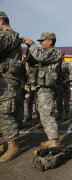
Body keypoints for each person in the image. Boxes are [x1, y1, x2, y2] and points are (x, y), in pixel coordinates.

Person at [23, 32, 63, 147]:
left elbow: (40, 56)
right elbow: (32, 62)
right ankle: (52, 138)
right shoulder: (44, 53)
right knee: (43, 114)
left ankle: (54, 140)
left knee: (47, 114)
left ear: (50, 41)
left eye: (42, 40)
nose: (40, 42)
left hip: (47, 88)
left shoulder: (55, 53)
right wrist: (29, 48)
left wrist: (32, 44)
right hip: (40, 87)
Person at [0, 11, 23, 162]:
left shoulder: (8, 35)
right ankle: (7, 141)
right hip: (5, 79)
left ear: (0, 21)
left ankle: (13, 144)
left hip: (7, 80)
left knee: (5, 112)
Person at [56, 51, 71, 121]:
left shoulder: (67, 65)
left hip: (66, 86)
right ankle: (60, 114)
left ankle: (66, 115)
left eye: (61, 55)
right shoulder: (56, 65)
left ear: (63, 55)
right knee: (58, 100)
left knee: (66, 101)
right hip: (58, 86)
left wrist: (67, 80)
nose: (59, 56)